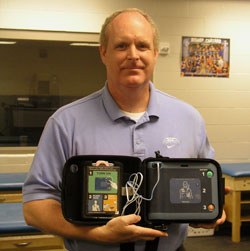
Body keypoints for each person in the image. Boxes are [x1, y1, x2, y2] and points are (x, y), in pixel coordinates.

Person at [23, 8, 226, 251]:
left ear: (154, 53)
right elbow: (35, 207)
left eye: (142, 46)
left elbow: (206, 193)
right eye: (121, 46)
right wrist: (96, 233)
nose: (133, 55)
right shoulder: (66, 122)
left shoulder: (189, 118)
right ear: (103, 53)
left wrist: (207, 211)